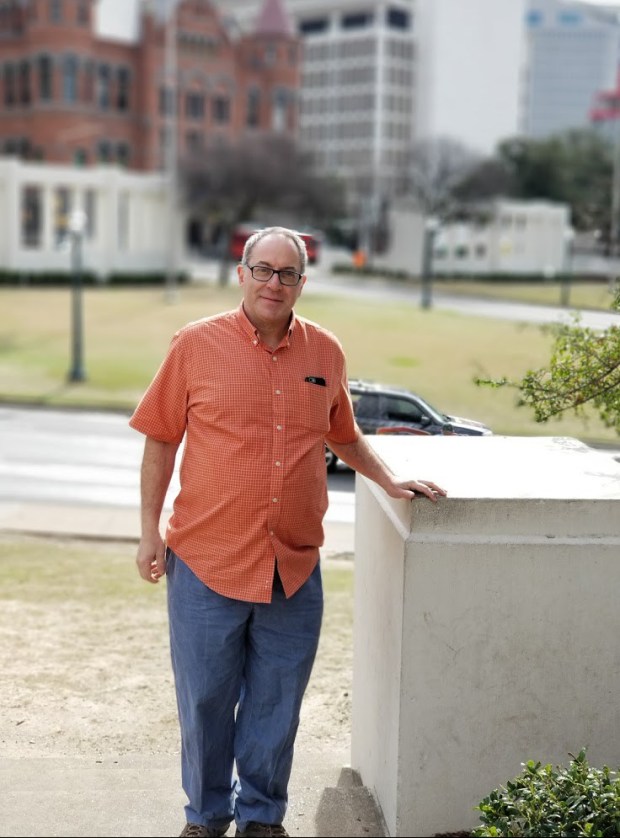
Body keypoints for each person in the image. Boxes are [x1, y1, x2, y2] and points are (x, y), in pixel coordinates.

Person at [129, 225, 447, 838]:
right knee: (204, 704)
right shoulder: (195, 345)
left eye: (289, 273)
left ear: (304, 281)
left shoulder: (324, 352)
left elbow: (344, 434)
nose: (276, 283)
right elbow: (161, 438)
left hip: (293, 566)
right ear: (241, 273)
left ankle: (261, 820)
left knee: (277, 706)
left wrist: (390, 480)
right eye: (264, 270)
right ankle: (205, 817)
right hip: (206, 558)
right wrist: (148, 532)